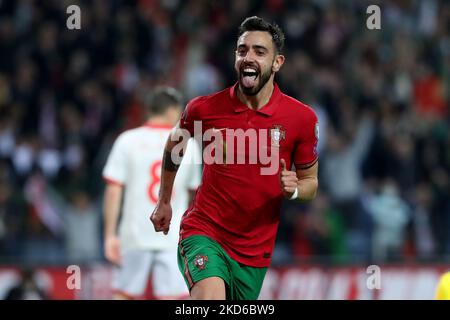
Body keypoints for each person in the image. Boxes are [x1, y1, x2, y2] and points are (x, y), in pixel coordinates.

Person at [151, 16, 319, 300]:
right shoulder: (204, 109)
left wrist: (293, 191)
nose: (248, 57)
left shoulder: (301, 118)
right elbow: (174, 146)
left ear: (277, 63)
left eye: (259, 51)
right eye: (242, 50)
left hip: (254, 252)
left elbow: (310, 184)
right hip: (204, 232)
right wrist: (164, 199)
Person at [103, 87, 201, 299]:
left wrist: (110, 235)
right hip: (173, 235)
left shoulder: (127, 141)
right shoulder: (189, 145)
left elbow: (113, 191)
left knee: (124, 295)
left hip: (134, 234)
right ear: (173, 110)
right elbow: (195, 197)